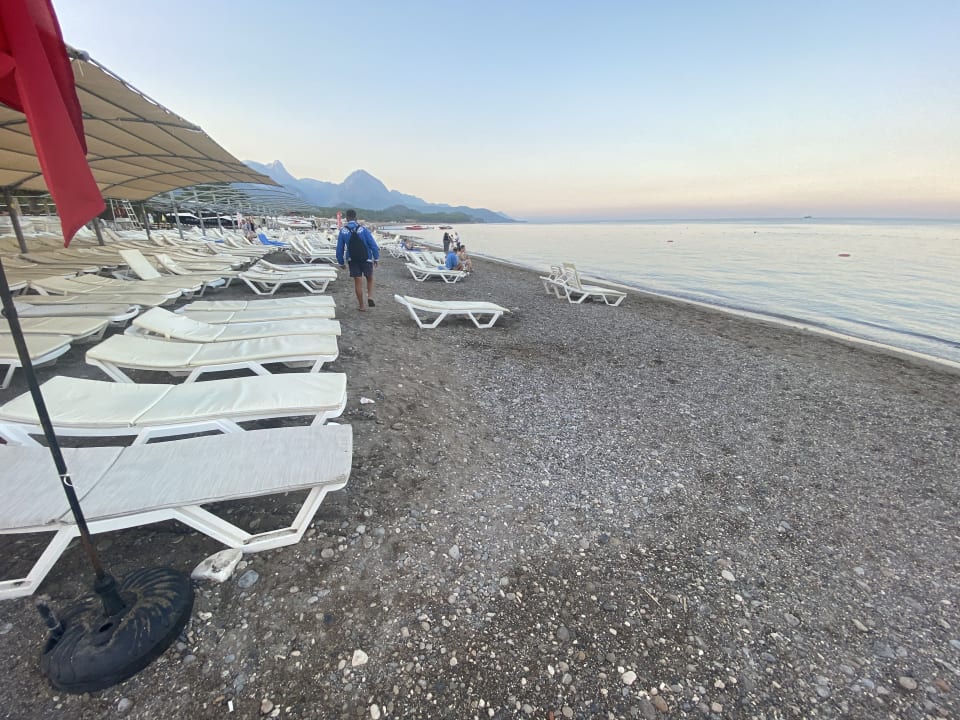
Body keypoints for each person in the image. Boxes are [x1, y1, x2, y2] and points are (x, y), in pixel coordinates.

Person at [336, 209, 380, 311]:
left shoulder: (343, 231)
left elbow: (339, 249)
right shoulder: (363, 229)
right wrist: (376, 258)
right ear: (356, 218)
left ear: (346, 218)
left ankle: (361, 306)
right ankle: (370, 296)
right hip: (366, 258)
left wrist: (341, 262)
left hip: (352, 259)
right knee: (369, 277)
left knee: (358, 282)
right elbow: (373, 245)